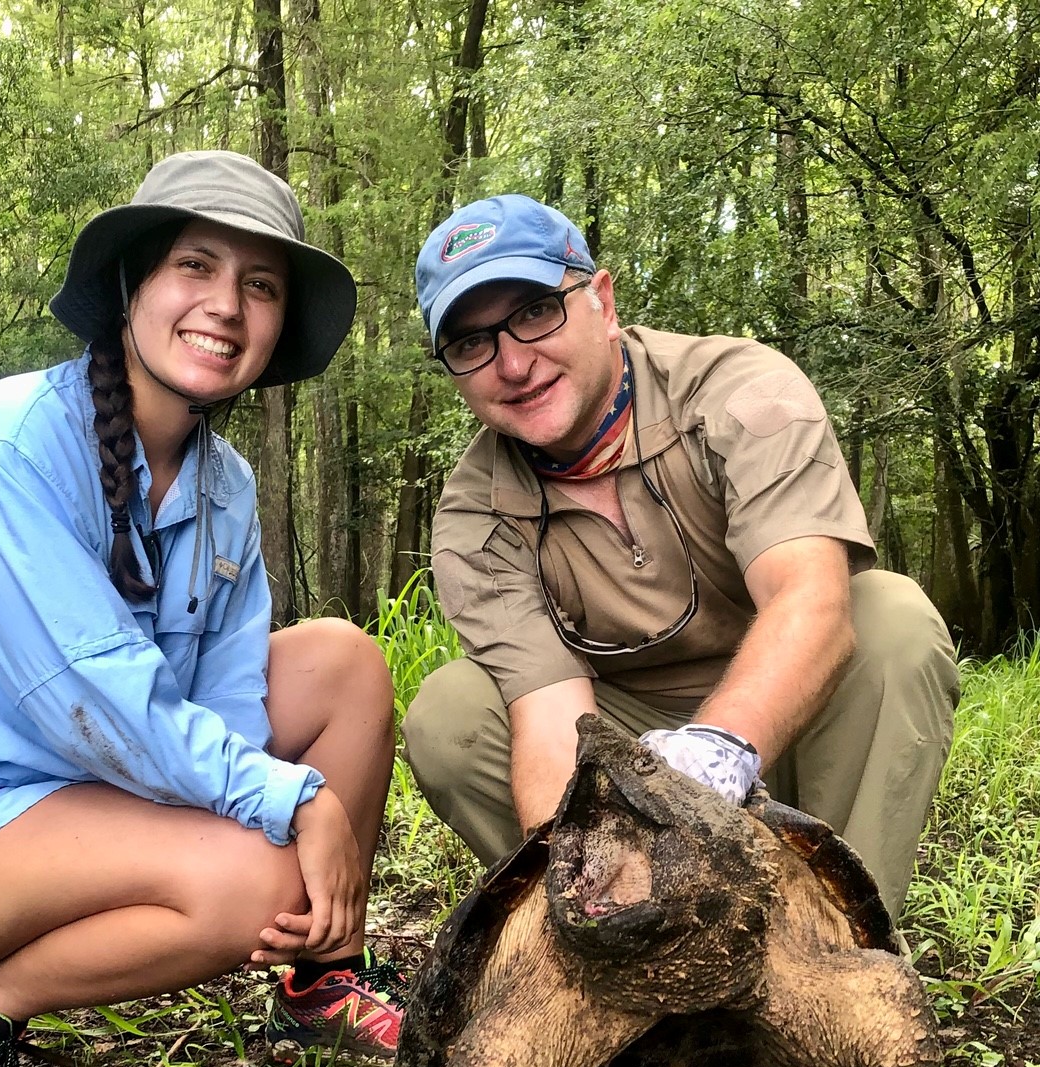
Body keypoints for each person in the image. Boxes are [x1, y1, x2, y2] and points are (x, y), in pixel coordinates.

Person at [0, 150, 406, 1067]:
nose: (226, 304)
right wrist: (291, 803)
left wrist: (247, 801)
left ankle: (320, 973)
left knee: (346, 663)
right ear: (133, 284)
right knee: (256, 871)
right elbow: (91, 697)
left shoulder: (224, 486)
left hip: (95, 796)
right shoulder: (3, 446)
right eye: (196, 266)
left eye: (259, 283)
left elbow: (222, 698)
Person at [403, 194, 960, 918]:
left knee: (894, 621)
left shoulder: (740, 392)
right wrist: (596, 854)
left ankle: (837, 938)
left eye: (536, 310)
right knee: (451, 714)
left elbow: (810, 600)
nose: (513, 362)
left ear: (600, 301)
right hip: (616, 750)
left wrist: (714, 753)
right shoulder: (475, 516)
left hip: (795, 720)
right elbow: (547, 721)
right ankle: (614, 944)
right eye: (472, 344)